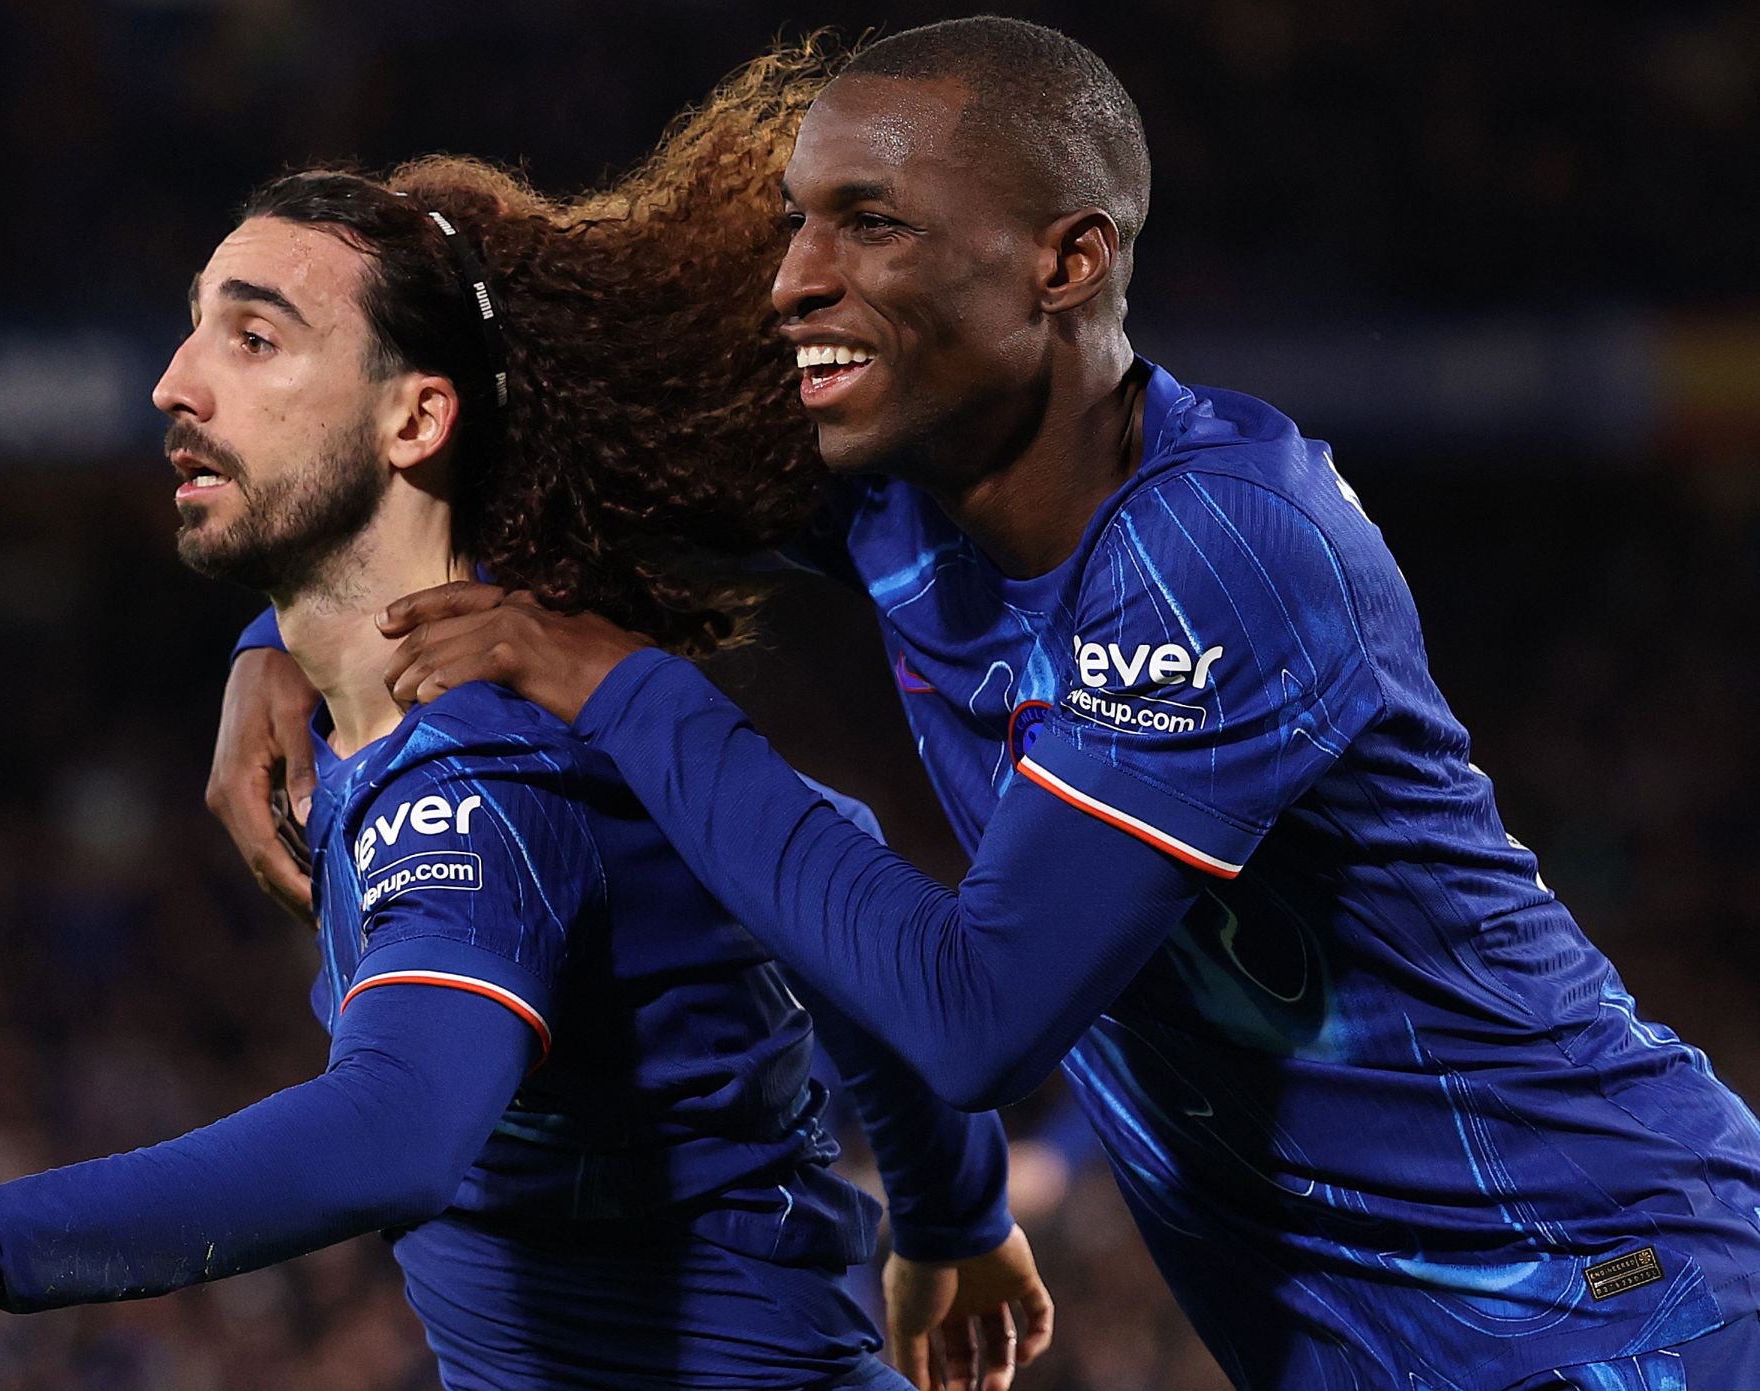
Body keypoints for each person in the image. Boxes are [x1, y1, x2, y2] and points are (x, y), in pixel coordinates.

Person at [220, 18, 1760, 1390]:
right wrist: (278, 640)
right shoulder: (891, 483)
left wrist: (619, 685)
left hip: (1610, 1299)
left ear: (1064, 262)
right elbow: (498, 442)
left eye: (868, 225)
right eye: (792, 223)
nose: (792, 277)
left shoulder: (1218, 552)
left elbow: (975, 1017)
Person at [0, 56, 1054, 1391]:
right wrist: (949, 1212)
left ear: (415, 420)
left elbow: (396, 1131)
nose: (175, 383)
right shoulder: (436, 690)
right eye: (195, 323)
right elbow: (834, 864)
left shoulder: (489, 771)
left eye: (254, 337)